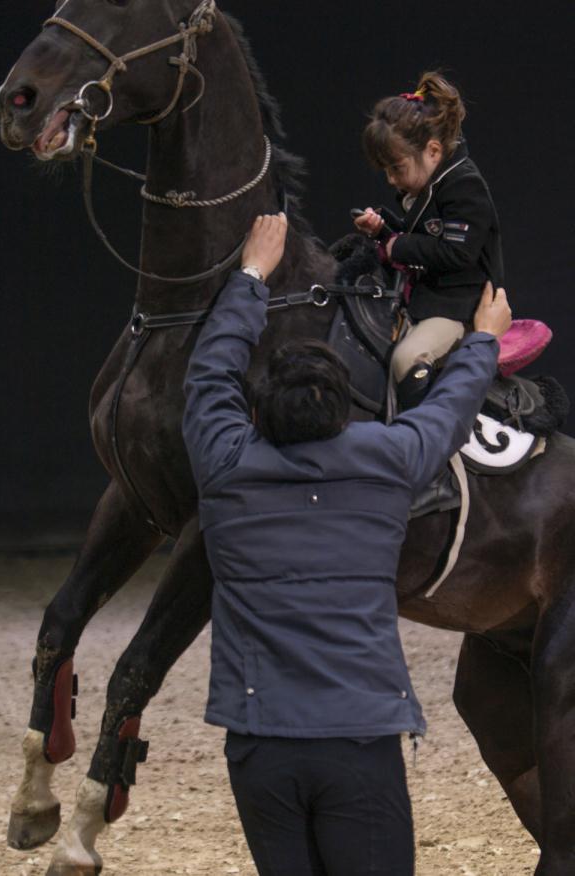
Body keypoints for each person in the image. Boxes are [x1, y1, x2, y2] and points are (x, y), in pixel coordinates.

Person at [182, 213, 511, 876]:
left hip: (261, 744)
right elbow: (448, 411)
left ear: (256, 414)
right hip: (360, 739)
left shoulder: (225, 461)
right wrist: (482, 342)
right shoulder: (386, 457)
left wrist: (251, 276)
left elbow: (208, 375)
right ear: (342, 415)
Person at [355, 72, 504, 409]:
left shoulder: (464, 185)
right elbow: (424, 240)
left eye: (396, 168)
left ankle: (428, 438)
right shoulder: (429, 185)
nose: (391, 179)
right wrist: (382, 230)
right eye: (386, 171)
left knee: (406, 358)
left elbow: (457, 253)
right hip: (429, 301)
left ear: (433, 151)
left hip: (462, 309)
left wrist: (399, 246)